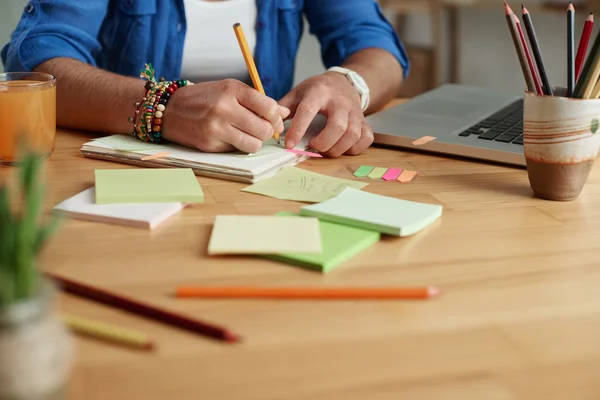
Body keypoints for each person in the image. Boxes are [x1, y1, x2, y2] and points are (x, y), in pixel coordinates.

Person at [2, 0, 409, 157]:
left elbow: (378, 47)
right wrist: (162, 107)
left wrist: (347, 82)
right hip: (130, 171)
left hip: (262, 170)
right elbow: (38, 59)